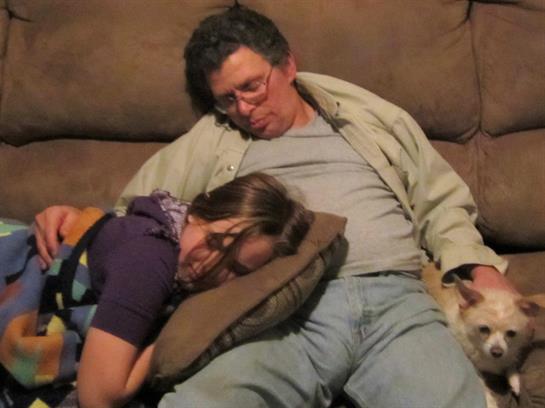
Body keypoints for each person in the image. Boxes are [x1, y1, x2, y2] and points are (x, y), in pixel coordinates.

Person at [34, 5, 518, 408]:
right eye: (227, 99)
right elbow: (138, 211)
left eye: (252, 86)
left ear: (287, 65)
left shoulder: (367, 115)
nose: (244, 109)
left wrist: (478, 267)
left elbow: (439, 200)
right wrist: (78, 222)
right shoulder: (214, 137)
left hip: (396, 298)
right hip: (280, 310)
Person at [2, 172, 312, 408]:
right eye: (214, 241)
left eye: (236, 268)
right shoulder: (150, 259)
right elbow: (98, 397)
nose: (210, 267)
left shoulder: (169, 235)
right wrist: (158, 346)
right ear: (196, 212)